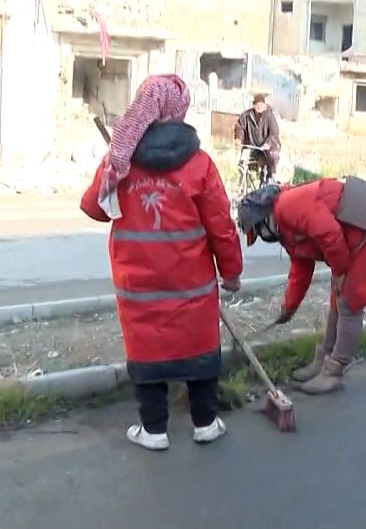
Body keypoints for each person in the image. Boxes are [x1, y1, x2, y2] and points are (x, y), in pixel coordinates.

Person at [80, 74, 243, 451]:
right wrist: (231, 273)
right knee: (198, 345)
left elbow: (93, 209)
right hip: (192, 283)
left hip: (139, 285)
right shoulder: (199, 163)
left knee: (147, 346)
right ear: (178, 111)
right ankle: (205, 422)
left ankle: (153, 430)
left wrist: (113, 172)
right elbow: (220, 225)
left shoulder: (121, 158)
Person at [236, 180, 366, 394]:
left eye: (257, 232)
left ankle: (334, 370)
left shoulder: (288, 206)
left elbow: (329, 232)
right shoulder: (285, 227)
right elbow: (300, 268)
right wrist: (289, 307)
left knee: (349, 303)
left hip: (363, 236)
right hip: (346, 243)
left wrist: (341, 270)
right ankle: (324, 359)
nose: (261, 237)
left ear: (264, 219)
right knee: (337, 298)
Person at [234, 93, 281, 182]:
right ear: (253, 105)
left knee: (271, 157)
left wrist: (267, 144)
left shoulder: (270, 116)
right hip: (253, 146)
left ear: (265, 105)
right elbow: (240, 127)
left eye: (261, 105)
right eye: (257, 105)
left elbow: (274, 134)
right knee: (243, 160)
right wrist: (238, 139)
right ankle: (242, 183)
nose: (259, 107)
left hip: (268, 148)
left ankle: (269, 179)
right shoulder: (247, 115)